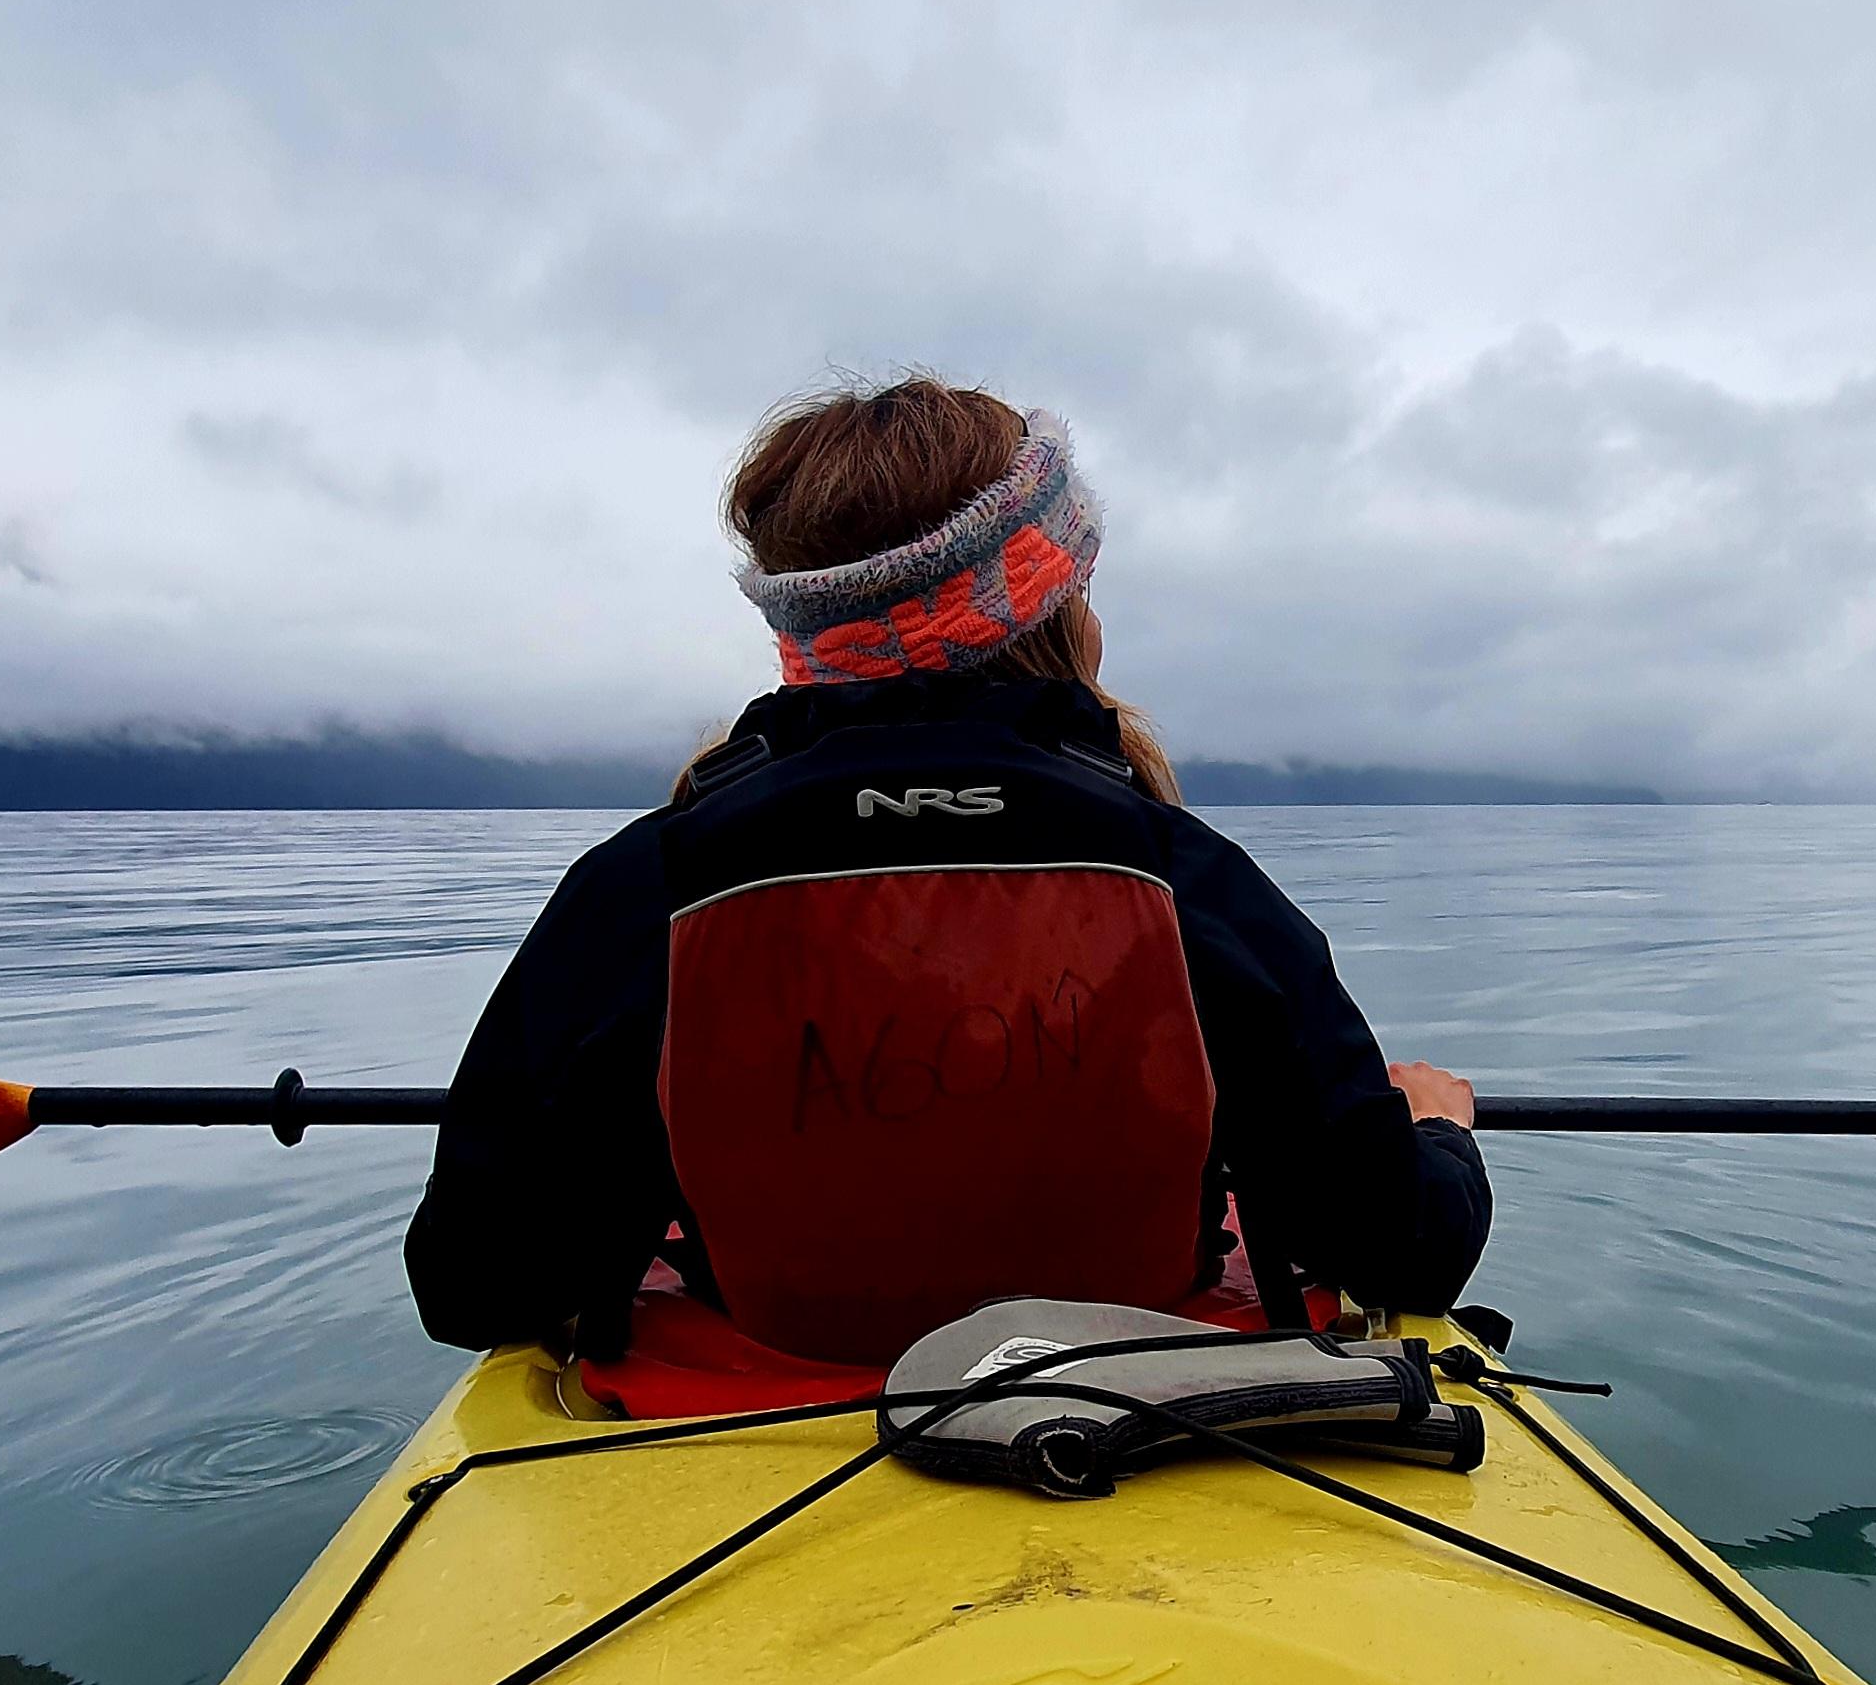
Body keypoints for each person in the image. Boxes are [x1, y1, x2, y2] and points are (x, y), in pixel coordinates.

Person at [405, 376, 1487, 1367]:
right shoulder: (1186, 875)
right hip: (1135, 1411)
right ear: (1054, 608)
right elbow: (1406, 1253)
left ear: (804, 629)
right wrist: (1436, 1132)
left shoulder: (647, 887)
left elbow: (473, 1283)